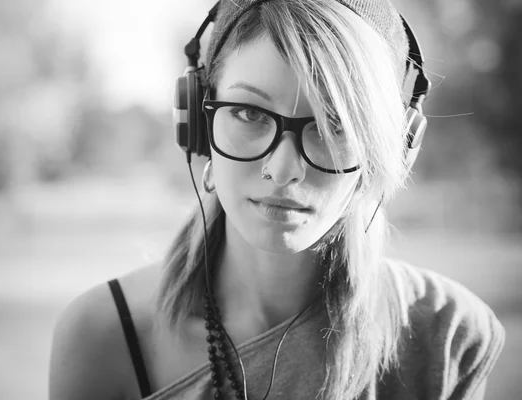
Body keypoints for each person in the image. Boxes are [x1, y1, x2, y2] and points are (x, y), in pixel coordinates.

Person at [48, 1, 506, 399]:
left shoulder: (447, 336)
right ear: (198, 124)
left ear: (390, 151)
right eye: (249, 113)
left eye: (335, 126)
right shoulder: (104, 335)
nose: (284, 169)